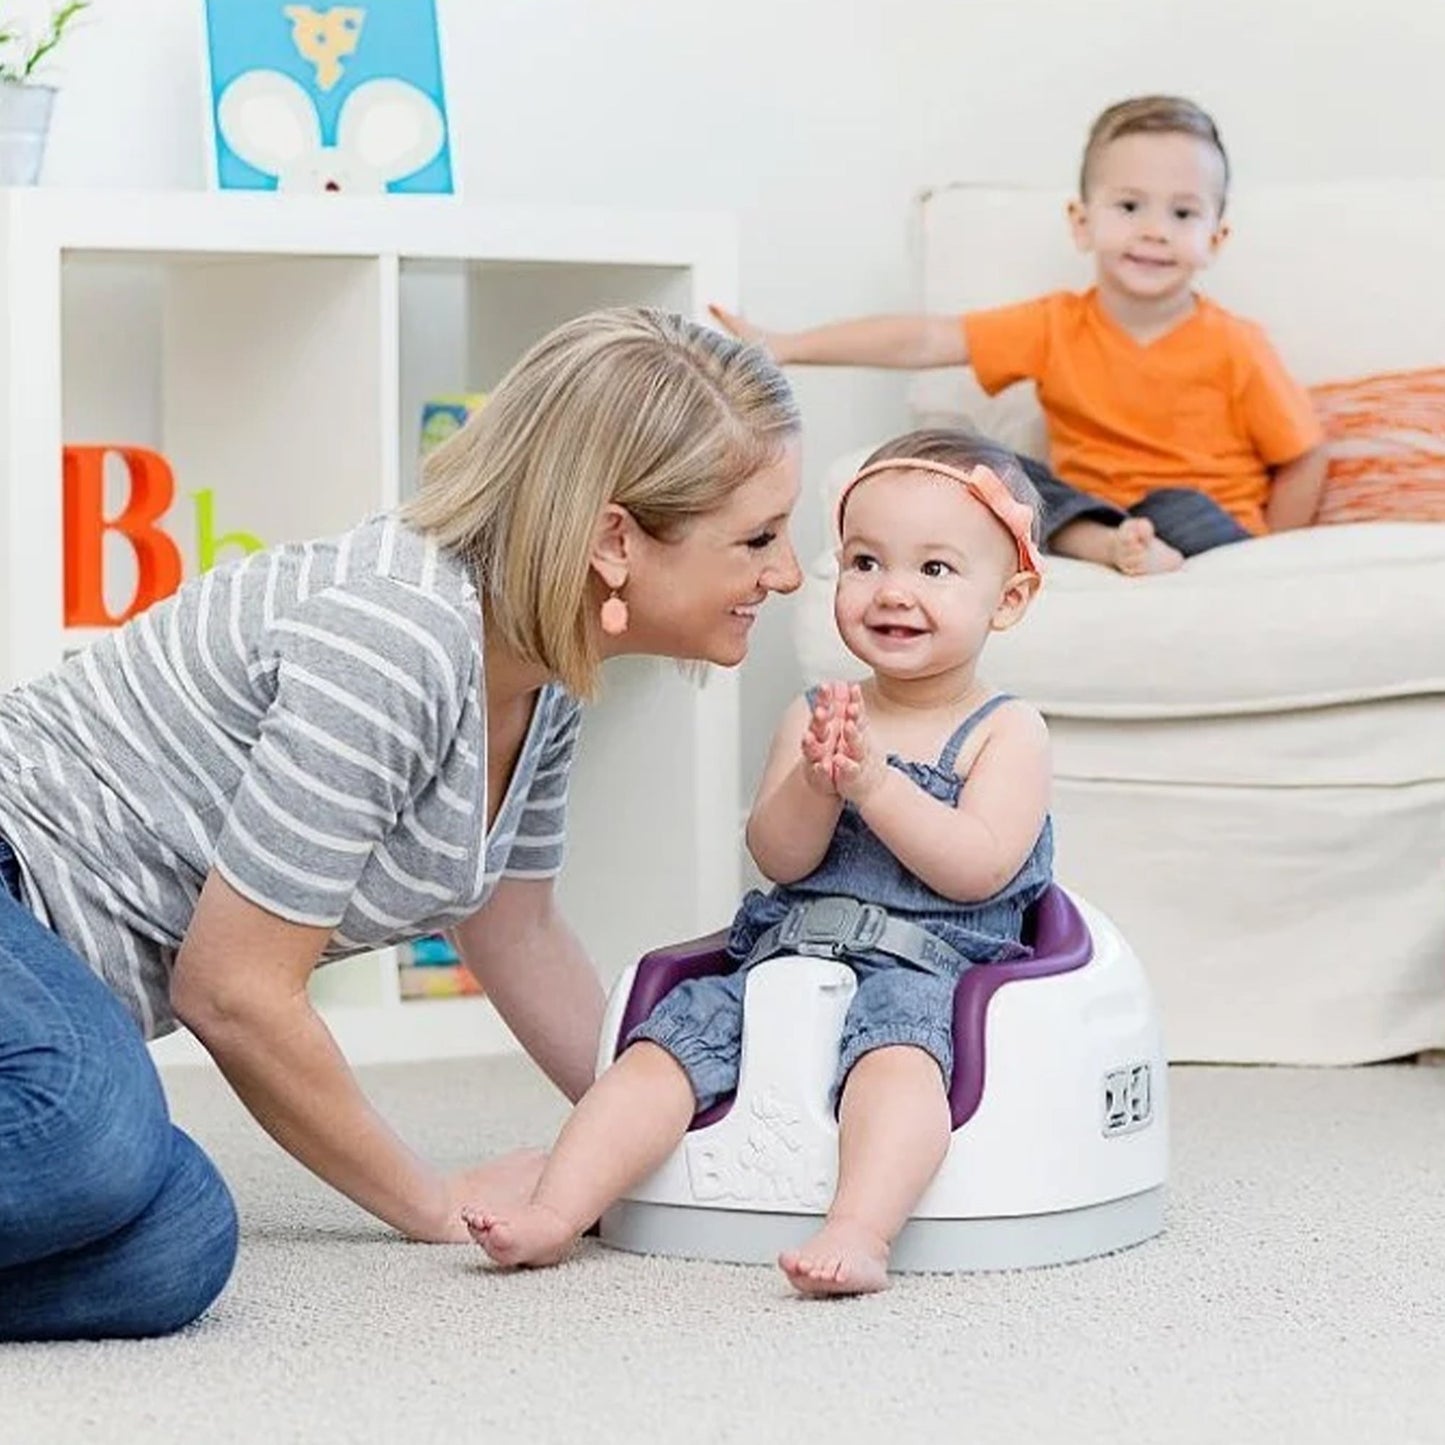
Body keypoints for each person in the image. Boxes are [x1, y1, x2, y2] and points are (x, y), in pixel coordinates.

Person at [0, 307, 804, 1340]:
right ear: (614, 539)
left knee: (176, 1241)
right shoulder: (393, 634)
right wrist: (432, 1201)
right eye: (757, 537)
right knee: (87, 1135)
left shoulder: (540, 665)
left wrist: (661, 1140)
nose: (783, 573)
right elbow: (234, 988)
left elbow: (514, 930)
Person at [462, 428, 1054, 1297]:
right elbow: (778, 855)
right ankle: (560, 1207)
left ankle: (858, 1228)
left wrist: (878, 786)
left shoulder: (1006, 731)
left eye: (934, 570)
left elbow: (978, 868)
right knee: (657, 1054)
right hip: (780, 958)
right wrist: (817, 783)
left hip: (929, 975)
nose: (892, 591)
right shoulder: (816, 712)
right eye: (864, 561)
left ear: (1006, 600)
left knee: (897, 1067)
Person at [711, 95, 1327, 577]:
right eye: (1130, 206)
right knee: (994, 468)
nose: (1155, 231)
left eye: (1183, 213)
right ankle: (1109, 545)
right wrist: (788, 346)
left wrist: (1272, 555)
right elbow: (925, 340)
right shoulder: (1054, 324)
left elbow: (1304, 457)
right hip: (1091, 510)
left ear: (1215, 239)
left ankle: (1132, 543)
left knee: (1173, 507)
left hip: (1203, 522)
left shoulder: (1237, 345)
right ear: (1082, 224)